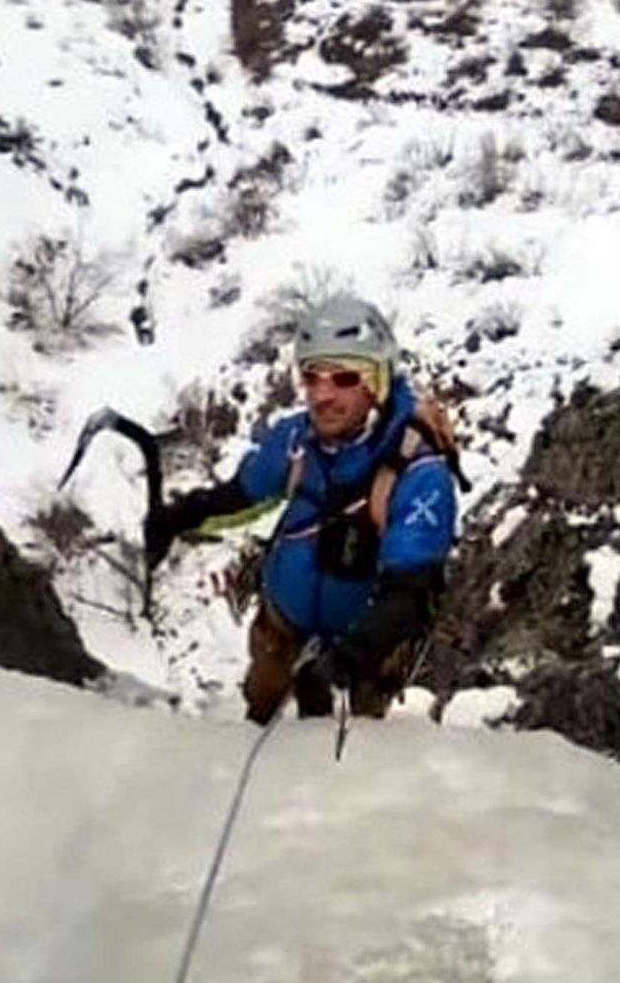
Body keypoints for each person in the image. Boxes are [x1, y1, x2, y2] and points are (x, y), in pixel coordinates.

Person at [145, 295, 460, 723]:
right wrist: (179, 518)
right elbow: (242, 496)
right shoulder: (296, 440)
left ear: (378, 383)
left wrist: (346, 661)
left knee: (344, 767)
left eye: (344, 377)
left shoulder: (418, 473)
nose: (322, 395)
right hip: (282, 625)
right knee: (257, 720)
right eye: (312, 377)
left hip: (363, 651)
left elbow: (410, 592)